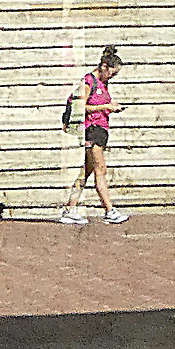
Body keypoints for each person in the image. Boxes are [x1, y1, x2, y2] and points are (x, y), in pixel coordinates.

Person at [61, 45, 128, 225]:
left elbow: (100, 102)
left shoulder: (102, 83)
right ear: (104, 67)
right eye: (112, 73)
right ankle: (109, 210)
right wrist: (106, 107)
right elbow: (80, 106)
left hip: (100, 128)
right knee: (101, 170)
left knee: (87, 171)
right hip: (92, 129)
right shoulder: (89, 81)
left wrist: (112, 105)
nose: (112, 77)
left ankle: (70, 208)